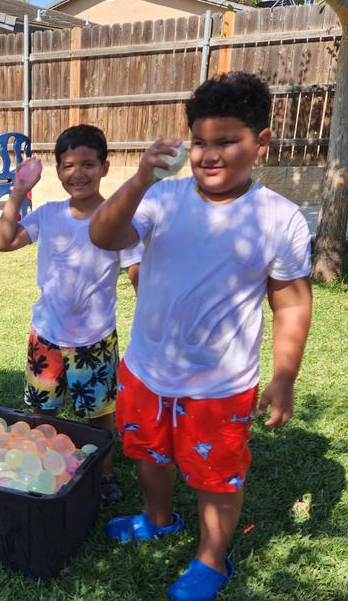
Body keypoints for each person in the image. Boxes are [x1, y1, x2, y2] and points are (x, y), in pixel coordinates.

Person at [89, 72, 312, 601]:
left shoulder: (279, 219)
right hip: (146, 370)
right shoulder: (163, 199)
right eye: (199, 142)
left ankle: (212, 561)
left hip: (221, 385)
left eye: (226, 141)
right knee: (148, 454)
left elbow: (292, 302)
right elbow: (103, 235)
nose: (209, 155)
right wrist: (140, 178)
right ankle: (158, 518)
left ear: (260, 142)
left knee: (217, 478)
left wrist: (284, 377)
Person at [0, 124, 141, 502]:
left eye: (89, 164)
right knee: (45, 412)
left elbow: (138, 274)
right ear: (57, 171)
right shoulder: (48, 214)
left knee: (99, 413)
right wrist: (18, 194)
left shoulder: (118, 218)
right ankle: (44, 468)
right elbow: (2, 242)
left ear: (106, 167)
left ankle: (103, 474)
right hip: (46, 335)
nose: (78, 173)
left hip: (95, 339)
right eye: (68, 165)